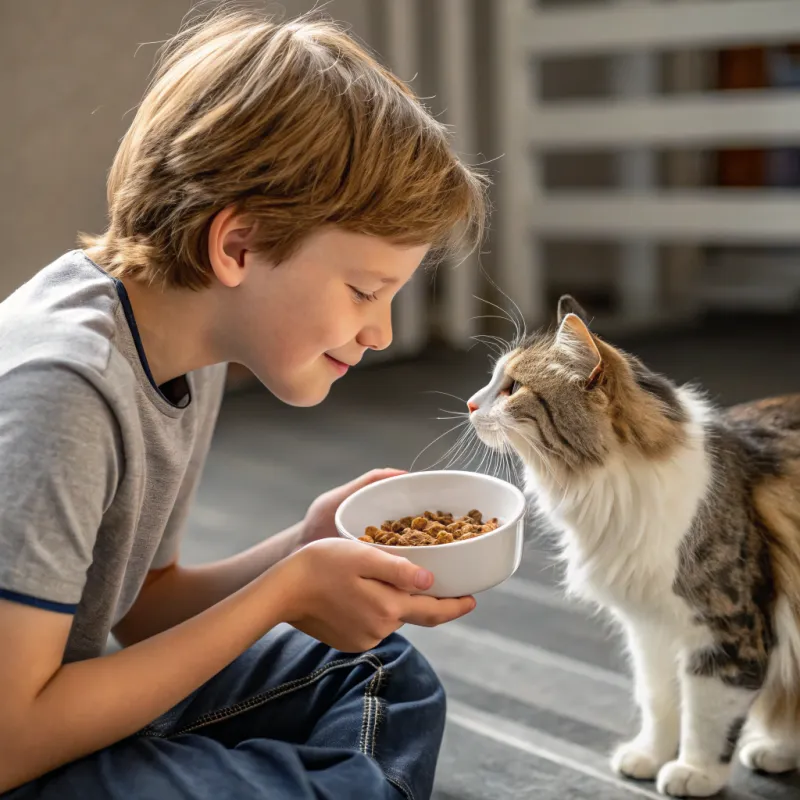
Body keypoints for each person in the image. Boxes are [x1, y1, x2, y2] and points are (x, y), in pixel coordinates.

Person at [0, 7, 488, 800]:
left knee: (381, 674)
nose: (381, 333)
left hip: (54, 697)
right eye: (366, 291)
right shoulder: (64, 389)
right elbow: (9, 740)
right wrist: (284, 595)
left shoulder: (183, 338)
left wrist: (300, 548)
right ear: (238, 246)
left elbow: (144, 606)